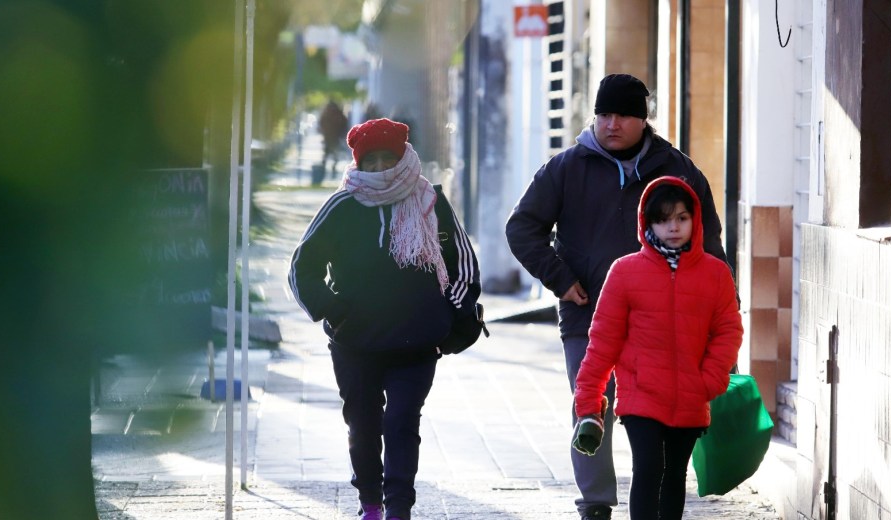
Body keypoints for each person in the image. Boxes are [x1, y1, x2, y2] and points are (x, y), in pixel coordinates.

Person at [505, 73, 730, 520]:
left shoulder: (678, 169)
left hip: (664, 322)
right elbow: (521, 228)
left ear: (642, 120)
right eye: (604, 114)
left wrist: (716, 312)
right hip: (587, 313)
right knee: (591, 407)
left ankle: (656, 498)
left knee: (660, 418)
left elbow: (710, 244)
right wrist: (561, 279)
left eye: (624, 115)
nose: (612, 123)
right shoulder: (565, 168)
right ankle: (595, 503)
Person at [287, 118, 480, 520]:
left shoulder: (430, 200)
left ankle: (398, 509)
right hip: (355, 343)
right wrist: (335, 310)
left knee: (402, 423)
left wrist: (451, 317)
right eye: (369, 160)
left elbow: (462, 265)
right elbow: (302, 267)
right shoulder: (342, 205)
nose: (379, 168)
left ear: (402, 157)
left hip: (417, 343)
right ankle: (370, 503)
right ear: (358, 163)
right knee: (362, 428)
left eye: (386, 158)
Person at [570, 176, 743, 519]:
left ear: (695, 218)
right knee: (648, 468)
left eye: (681, 217)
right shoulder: (625, 271)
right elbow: (603, 339)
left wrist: (709, 380)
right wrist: (588, 400)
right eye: (663, 219)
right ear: (647, 223)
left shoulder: (716, 274)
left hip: (692, 394)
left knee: (675, 475)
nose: (673, 227)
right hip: (641, 395)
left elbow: (728, 331)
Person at [318, 99, 349, 178]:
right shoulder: (338, 113)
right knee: (333, 155)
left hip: (329, 138)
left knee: (327, 156)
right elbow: (344, 124)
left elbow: (321, 124)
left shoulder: (326, 113)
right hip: (334, 138)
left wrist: (324, 132)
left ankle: (323, 171)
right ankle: (331, 170)